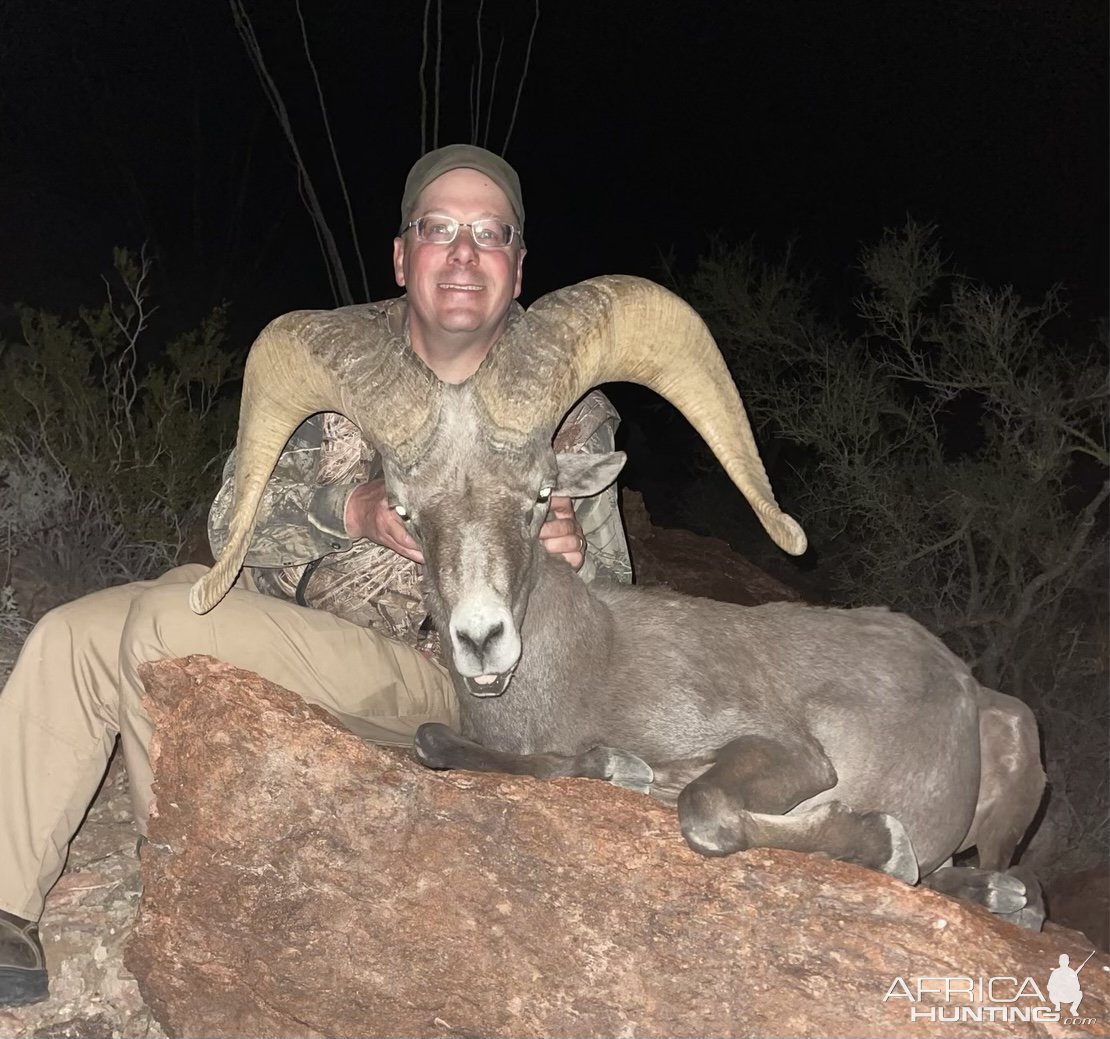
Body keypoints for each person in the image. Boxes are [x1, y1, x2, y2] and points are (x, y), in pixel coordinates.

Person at [0, 144, 633, 1007]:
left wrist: (571, 562)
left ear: (519, 266)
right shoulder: (337, 360)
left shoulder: (566, 401)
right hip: (294, 630)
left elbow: (621, 616)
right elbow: (230, 520)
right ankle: (3, 905)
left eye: (490, 233)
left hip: (455, 683)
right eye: (437, 228)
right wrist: (351, 510)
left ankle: (195, 899)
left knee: (163, 624)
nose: (462, 251)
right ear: (402, 254)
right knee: (69, 635)